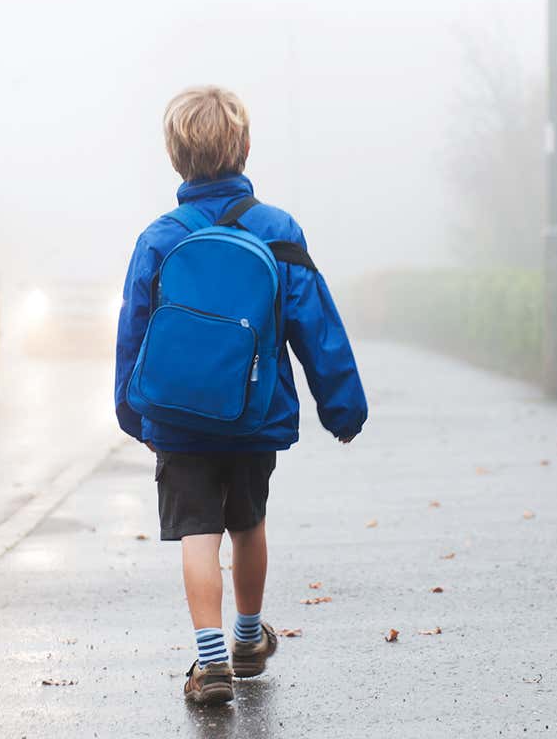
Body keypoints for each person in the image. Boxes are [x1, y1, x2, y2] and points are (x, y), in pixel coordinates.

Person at [114, 85, 367, 705]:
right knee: (248, 522)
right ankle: (248, 639)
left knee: (197, 534)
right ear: (246, 148)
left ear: (175, 156)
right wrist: (342, 405)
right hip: (256, 413)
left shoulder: (159, 237)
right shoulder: (278, 230)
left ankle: (210, 662)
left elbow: (134, 330)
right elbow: (316, 322)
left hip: (177, 418)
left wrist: (131, 408)